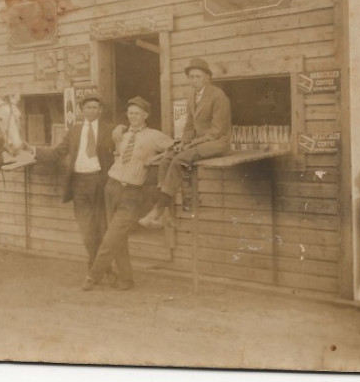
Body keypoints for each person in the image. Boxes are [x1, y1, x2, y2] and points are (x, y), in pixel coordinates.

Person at [81, 96, 175, 291]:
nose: (133, 116)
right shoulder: (121, 134)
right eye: (130, 113)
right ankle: (126, 279)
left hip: (132, 193)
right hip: (111, 187)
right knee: (118, 237)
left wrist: (156, 158)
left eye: (137, 113)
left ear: (145, 115)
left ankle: (93, 276)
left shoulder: (154, 135)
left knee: (111, 236)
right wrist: (117, 130)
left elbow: (175, 148)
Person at [139, 58, 231, 228]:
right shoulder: (191, 96)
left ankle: (158, 210)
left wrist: (191, 144)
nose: (194, 80)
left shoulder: (218, 96)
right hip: (198, 142)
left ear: (207, 77)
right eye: (191, 77)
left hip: (217, 143)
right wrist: (183, 142)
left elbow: (216, 131)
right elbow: (189, 125)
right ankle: (166, 213)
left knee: (179, 160)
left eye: (198, 76)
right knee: (167, 159)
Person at [33, 95, 115, 268]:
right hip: (79, 183)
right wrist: (33, 151)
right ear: (82, 110)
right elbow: (57, 153)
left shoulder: (110, 130)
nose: (92, 110)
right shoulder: (74, 131)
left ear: (100, 111)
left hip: (100, 182)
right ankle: (98, 265)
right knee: (86, 229)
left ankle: (98, 268)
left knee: (102, 227)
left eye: (95, 107)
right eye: (88, 107)